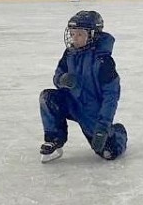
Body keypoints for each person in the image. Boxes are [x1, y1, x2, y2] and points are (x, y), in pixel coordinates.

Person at [39, 10, 128, 163]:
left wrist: (102, 128)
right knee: (48, 97)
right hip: (72, 103)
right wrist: (62, 79)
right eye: (72, 34)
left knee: (108, 153)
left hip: (91, 113)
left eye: (80, 34)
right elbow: (57, 76)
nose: (74, 38)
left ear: (93, 35)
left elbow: (111, 96)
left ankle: (118, 132)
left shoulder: (103, 61)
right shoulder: (69, 53)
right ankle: (54, 139)